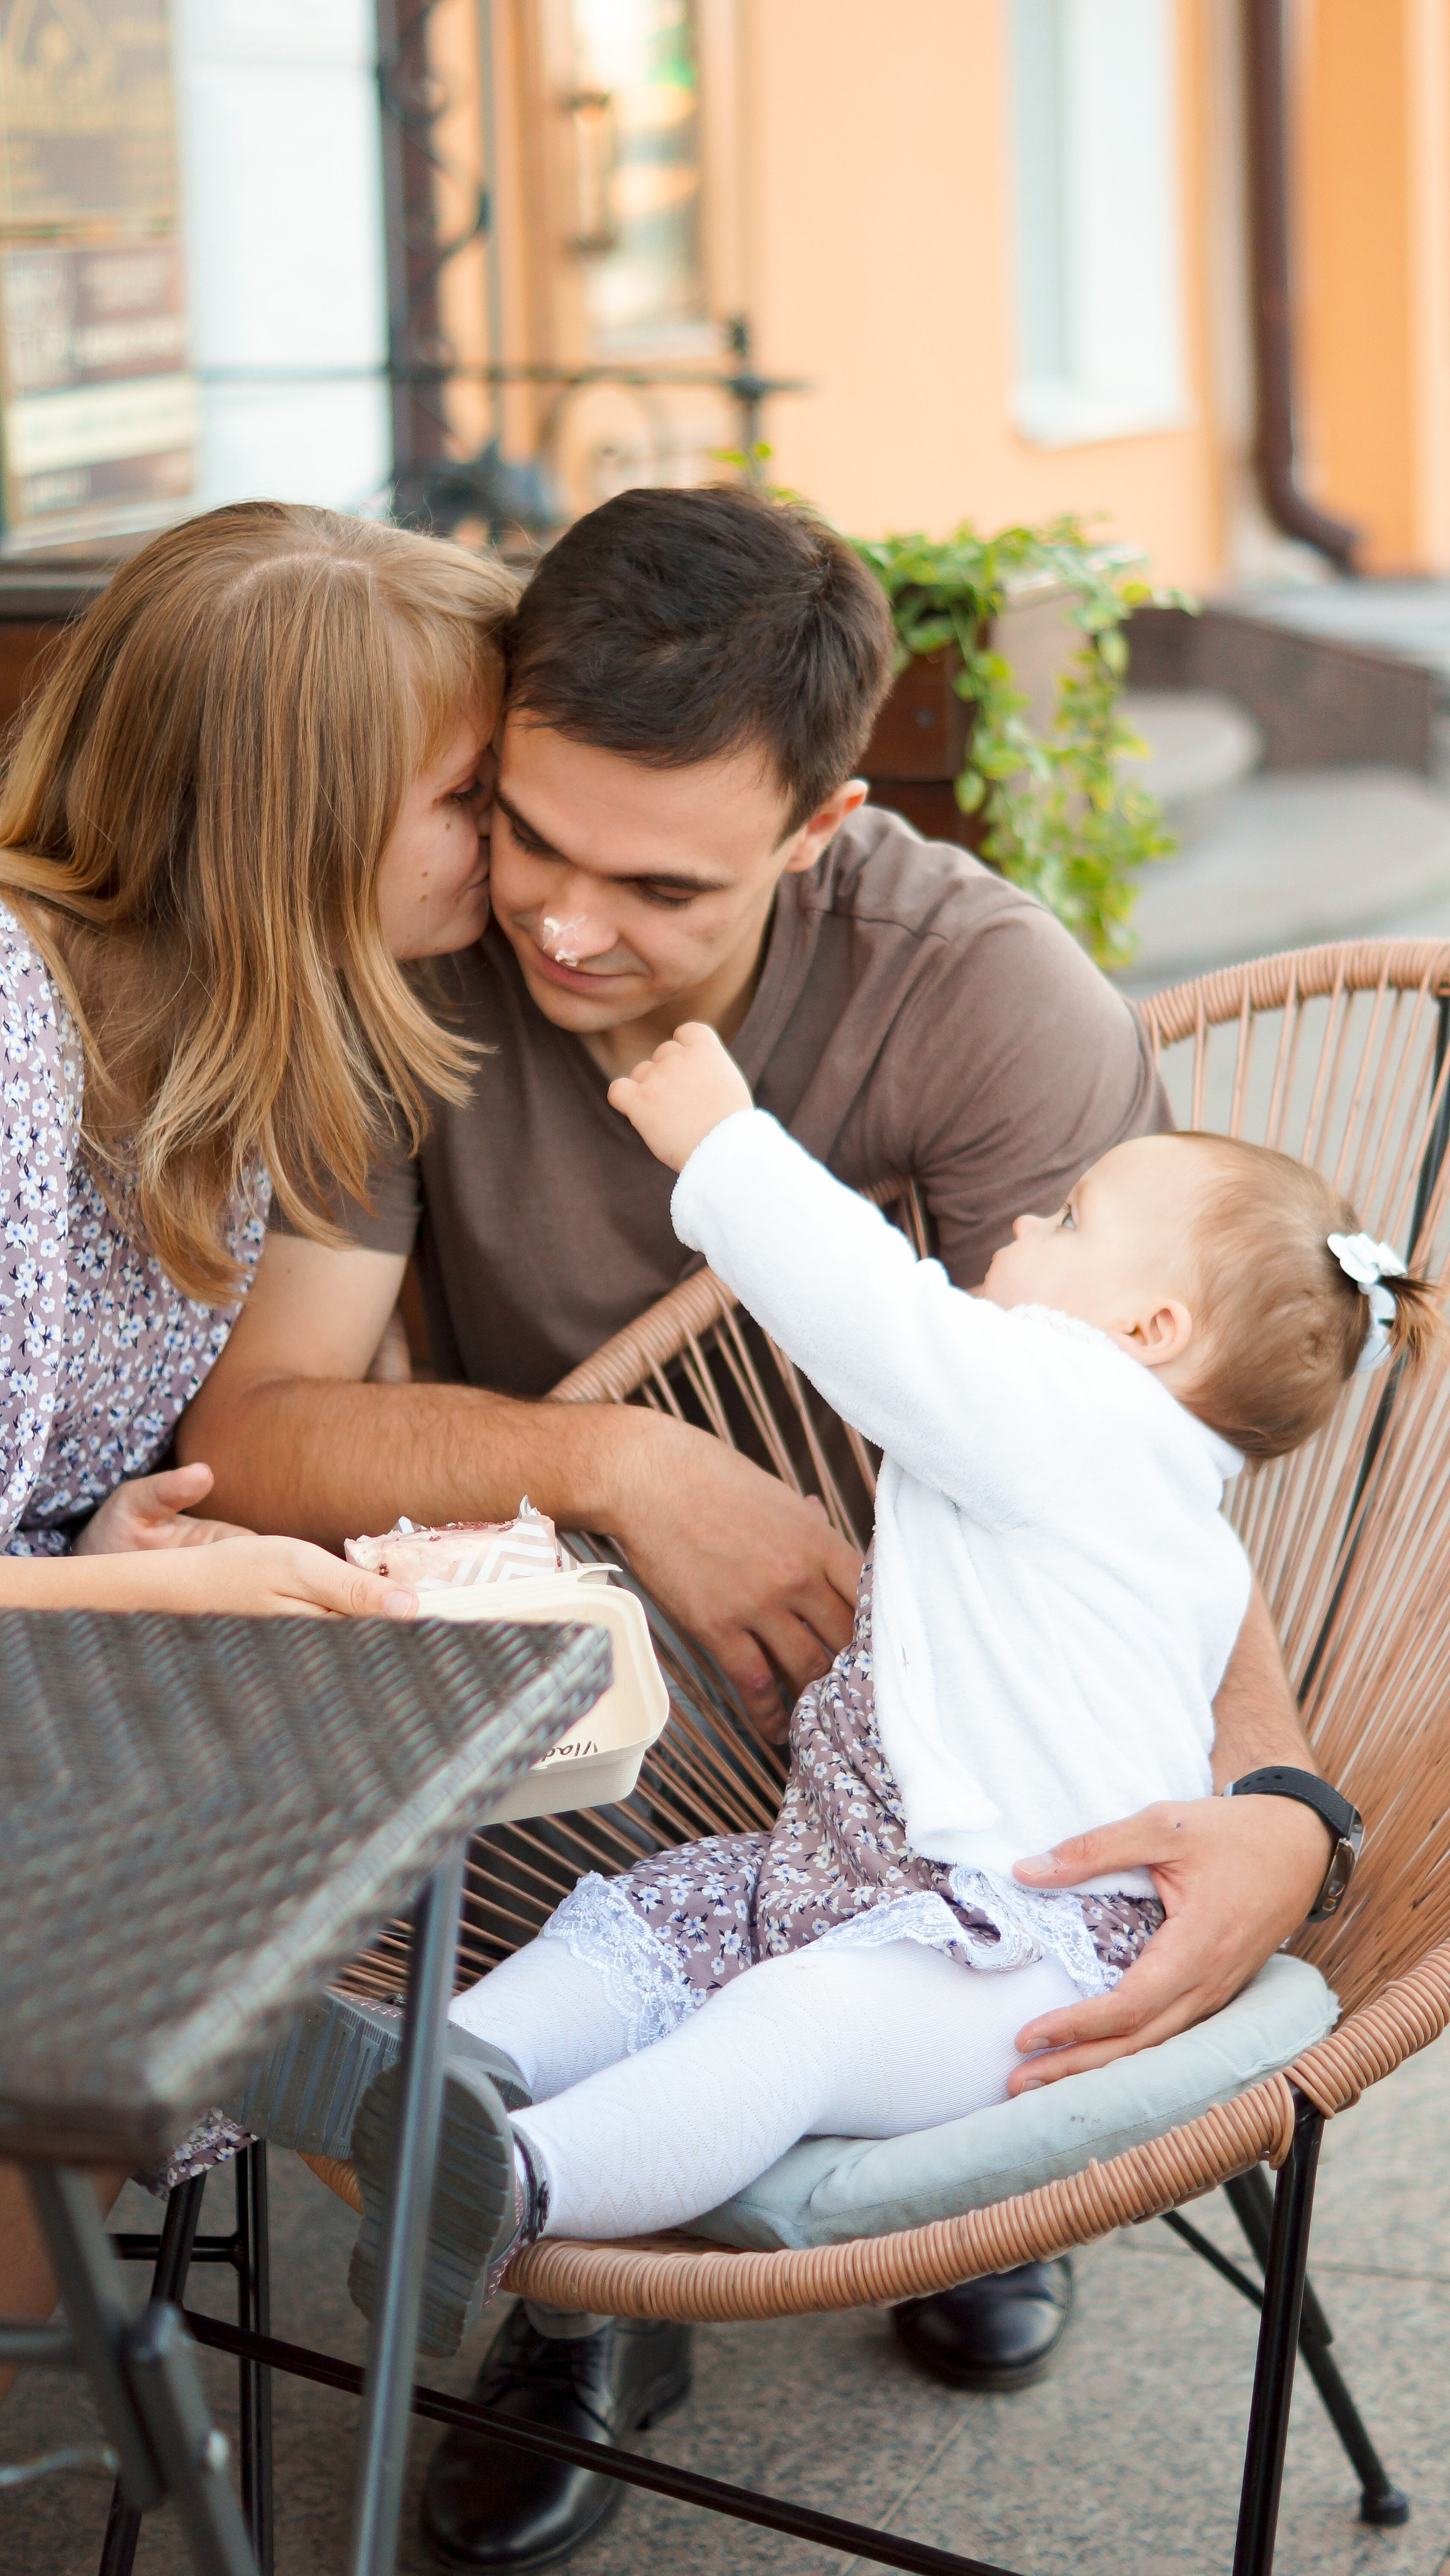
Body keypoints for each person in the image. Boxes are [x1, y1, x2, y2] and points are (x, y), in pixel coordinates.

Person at [182, 484, 1343, 2572]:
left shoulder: (972, 997)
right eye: (529, 833)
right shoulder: (419, 956)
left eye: (658, 880)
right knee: (606, 1942)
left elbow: (1133, 1481)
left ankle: (920, 2152)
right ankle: (538, 2251)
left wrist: (1277, 1805)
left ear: (811, 831)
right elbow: (262, 1429)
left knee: (843, 2008)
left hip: (945, 1751)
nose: (562, 926)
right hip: (570, 1693)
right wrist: (627, 1466)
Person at [302, 1032, 1435, 2353]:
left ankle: (511, 2177)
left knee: (793, 2025)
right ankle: (435, 2070)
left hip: (1015, 1952)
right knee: (644, 1922)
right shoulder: (1169, 1509)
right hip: (853, 1873)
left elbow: (876, 1315)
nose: (1023, 1220)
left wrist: (721, 1139)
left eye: (1071, 1219)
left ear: (1150, 1331)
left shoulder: (1072, 1415)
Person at [0, 494, 518, 2401]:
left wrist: (103, 1542)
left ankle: (481, 2147)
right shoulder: (9, 1026)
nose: (512, 839)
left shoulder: (249, 1045)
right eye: (472, 796)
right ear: (297, 823)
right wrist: (170, 1580)